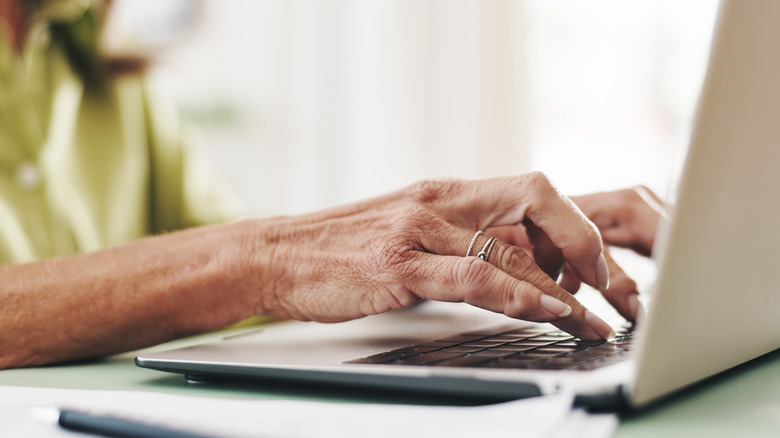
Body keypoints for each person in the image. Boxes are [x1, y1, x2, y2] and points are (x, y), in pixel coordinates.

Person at [0, 0, 664, 370]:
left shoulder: (90, 56)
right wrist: (268, 263)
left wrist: (448, 248)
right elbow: (249, 265)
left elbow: (237, 277)